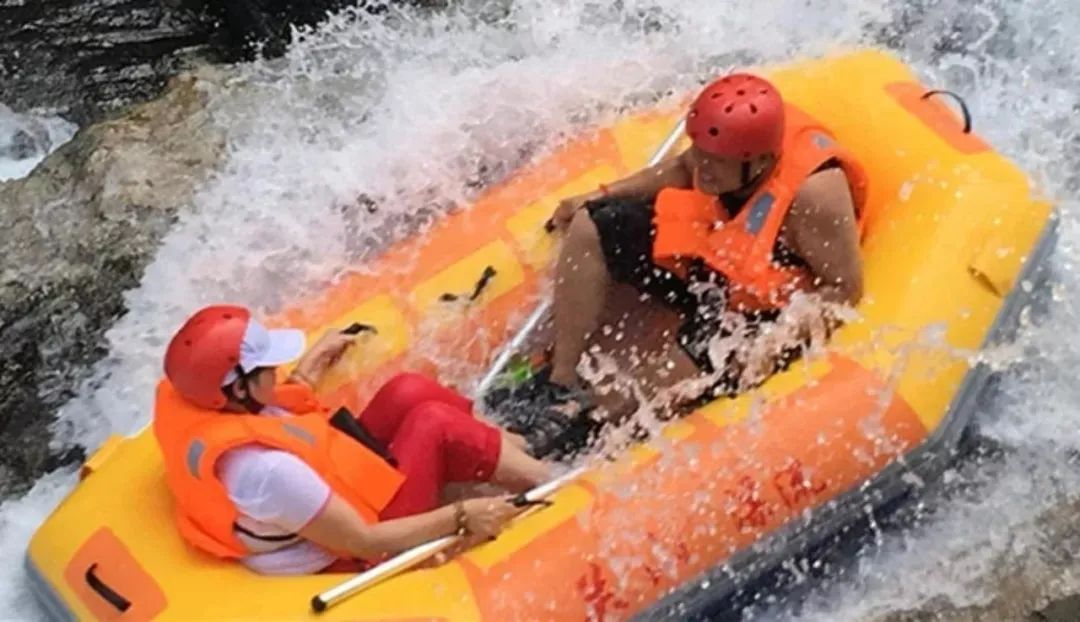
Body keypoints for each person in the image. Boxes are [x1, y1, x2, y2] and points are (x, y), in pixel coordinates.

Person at [501, 72, 868, 456]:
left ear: (760, 161)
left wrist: (774, 343)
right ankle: (560, 379)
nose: (701, 167)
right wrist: (601, 194)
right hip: (715, 258)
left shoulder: (816, 195)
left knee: (671, 372)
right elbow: (683, 167)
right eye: (700, 153)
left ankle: (579, 424)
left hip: (756, 308)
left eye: (715, 162)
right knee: (594, 223)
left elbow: (844, 289)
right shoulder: (729, 149)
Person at [153, 304, 551, 575]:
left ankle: (521, 445)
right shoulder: (265, 471)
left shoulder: (209, 399)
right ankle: (554, 481)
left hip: (333, 492)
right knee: (433, 423)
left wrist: (307, 372)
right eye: (269, 367)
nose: (277, 369)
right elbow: (363, 541)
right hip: (352, 549)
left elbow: (274, 414)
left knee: (406, 391)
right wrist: (461, 516)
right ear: (239, 389)